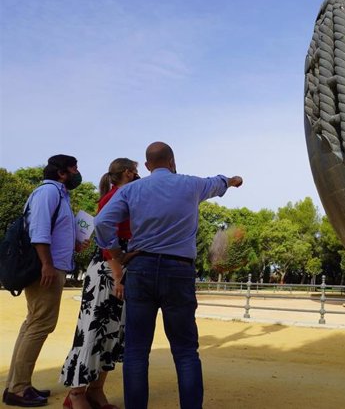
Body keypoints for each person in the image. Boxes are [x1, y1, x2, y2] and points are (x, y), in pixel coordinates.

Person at [93, 142, 243, 409]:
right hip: (179, 270)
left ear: (148, 166)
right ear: (173, 162)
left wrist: (116, 253)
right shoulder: (191, 185)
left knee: (137, 352)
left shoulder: (131, 190)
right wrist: (233, 181)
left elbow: (102, 222)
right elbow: (219, 182)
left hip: (141, 268)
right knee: (185, 352)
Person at [59, 158, 139, 409]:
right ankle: (76, 393)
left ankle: (95, 390)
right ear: (129, 172)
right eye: (136, 171)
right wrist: (117, 274)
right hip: (109, 269)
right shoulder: (115, 198)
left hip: (116, 266)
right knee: (93, 331)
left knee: (111, 333)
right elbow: (106, 239)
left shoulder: (121, 196)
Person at [3, 155, 82, 407]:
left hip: (49, 266)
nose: (77, 172)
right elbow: (39, 229)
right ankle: (18, 388)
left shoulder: (56, 194)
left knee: (33, 324)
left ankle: (18, 384)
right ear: (62, 173)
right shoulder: (49, 192)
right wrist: (47, 264)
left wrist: (74, 243)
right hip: (45, 268)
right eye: (74, 168)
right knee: (40, 325)